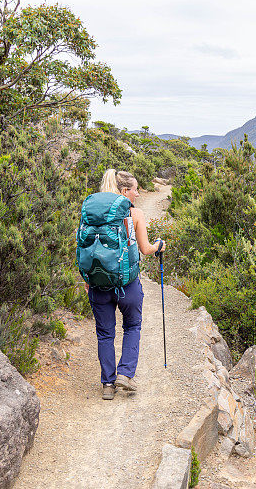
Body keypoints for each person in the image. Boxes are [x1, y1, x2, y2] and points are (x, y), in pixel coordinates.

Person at [86, 169, 165, 400]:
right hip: (127, 285)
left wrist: (88, 279)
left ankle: (108, 385)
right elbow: (145, 249)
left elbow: (85, 248)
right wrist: (159, 245)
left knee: (104, 334)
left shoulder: (93, 213)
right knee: (132, 326)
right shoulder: (135, 214)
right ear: (124, 191)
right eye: (135, 189)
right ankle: (126, 374)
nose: (138, 194)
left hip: (99, 284)